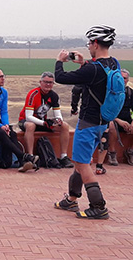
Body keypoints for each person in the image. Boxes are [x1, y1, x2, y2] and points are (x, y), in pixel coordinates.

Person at [54, 24, 119, 219]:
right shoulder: (113, 63)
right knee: (80, 162)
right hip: (102, 122)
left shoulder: (93, 69)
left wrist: (60, 61)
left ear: (96, 43)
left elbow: (60, 77)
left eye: (90, 42)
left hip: (88, 122)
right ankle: (72, 199)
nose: (89, 46)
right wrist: (84, 64)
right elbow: (97, 80)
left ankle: (98, 206)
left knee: (82, 165)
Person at [18, 71, 74, 168]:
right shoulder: (33, 94)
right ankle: (30, 157)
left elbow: (58, 113)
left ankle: (63, 156)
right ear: (40, 82)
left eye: (50, 82)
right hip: (26, 121)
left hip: (43, 121)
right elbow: (28, 116)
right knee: (31, 125)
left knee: (64, 126)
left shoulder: (54, 96)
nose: (48, 85)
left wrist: (58, 121)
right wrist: (43, 123)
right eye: (46, 82)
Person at [106, 68, 133, 165]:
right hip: (113, 120)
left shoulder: (130, 93)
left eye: (125, 78)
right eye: (120, 78)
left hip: (127, 120)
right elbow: (105, 111)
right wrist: (118, 120)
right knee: (111, 126)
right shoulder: (109, 92)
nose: (122, 80)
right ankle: (112, 152)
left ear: (128, 80)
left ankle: (130, 151)